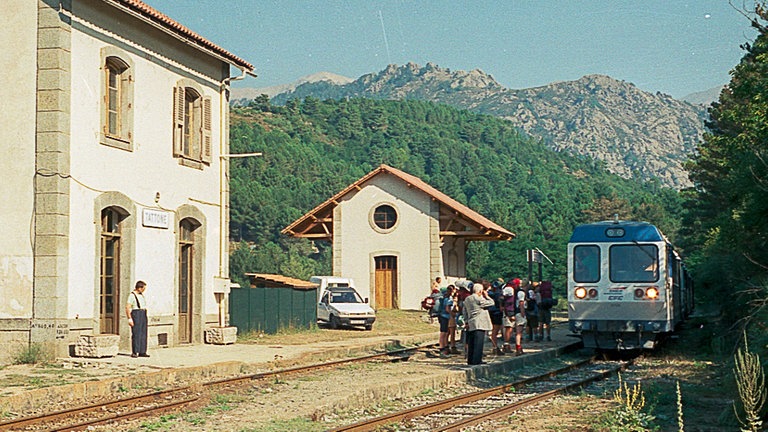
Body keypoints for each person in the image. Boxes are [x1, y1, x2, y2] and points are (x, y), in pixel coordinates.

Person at [462, 282, 494, 365]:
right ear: (480, 291)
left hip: (470, 321)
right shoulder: (478, 298)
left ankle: (470, 360)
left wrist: (466, 321)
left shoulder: (467, 299)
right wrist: (486, 296)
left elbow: (464, 311)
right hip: (479, 322)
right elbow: (491, 303)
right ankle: (477, 360)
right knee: (478, 343)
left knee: (471, 342)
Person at [126, 280, 149, 358]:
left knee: (143, 332)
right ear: (139, 288)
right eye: (143, 289)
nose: (143, 290)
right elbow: (128, 307)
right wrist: (130, 318)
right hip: (136, 313)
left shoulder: (141, 295)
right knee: (136, 333)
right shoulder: (132, 295)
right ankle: (135, 351)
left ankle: (142, 351)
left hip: (143, 313)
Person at [487, 278, 505, 355]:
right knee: (495, 330)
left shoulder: (489, 293)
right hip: (497, 312)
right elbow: (500, 301)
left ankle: (495, 346)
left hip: (491, 311)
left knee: (495, 330)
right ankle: (495, 347)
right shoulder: (499, 293)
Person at [437, 285, 456, 358]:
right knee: (444, 333)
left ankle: (444, 348)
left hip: (441, 316)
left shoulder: (443, 297)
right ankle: (442, 349)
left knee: (443, 332)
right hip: (445, 316)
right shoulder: (449, 299)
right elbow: (448, 308)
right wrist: (452, 314)